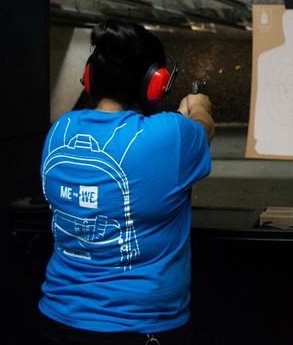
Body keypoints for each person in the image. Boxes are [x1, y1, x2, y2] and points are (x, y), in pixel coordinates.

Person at [37, 20, 215, 344]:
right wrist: (200, 105)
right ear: (155, 84)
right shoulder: (172, 134)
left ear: (89, 77)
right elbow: (204, 128)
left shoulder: (59, 132)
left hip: (57, 320)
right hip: (138, 329)